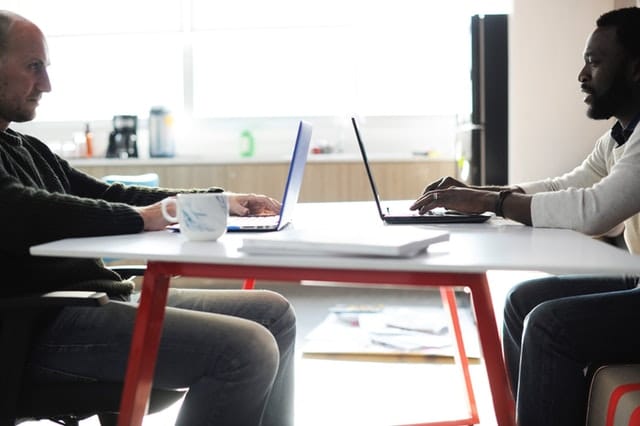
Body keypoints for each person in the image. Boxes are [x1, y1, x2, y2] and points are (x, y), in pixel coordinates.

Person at [0, 10, 295, 426]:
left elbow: (108, 195)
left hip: (98, 303)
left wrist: (215, 199)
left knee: (273, 313)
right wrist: (144, 218)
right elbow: (23, 209)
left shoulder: (25, 146)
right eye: (34, 67)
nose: (46, 84)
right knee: (246, 349)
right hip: (40, 326)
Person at [411, 7, 640, 426]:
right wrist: (481, 194)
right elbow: (565, 187)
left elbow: (595, 211)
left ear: (636, 69)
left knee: (549, 326)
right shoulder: (620, 138)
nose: (581, 75)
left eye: (594, 61)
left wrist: (490, 203)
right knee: (521, 300)